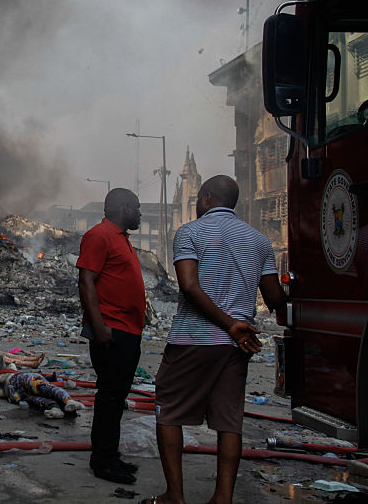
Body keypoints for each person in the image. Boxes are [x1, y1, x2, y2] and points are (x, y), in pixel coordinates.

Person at [143, 175, 286, 504]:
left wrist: (229, 324)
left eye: (196, 198)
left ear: (206, 198)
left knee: (169, 413)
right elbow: (275, 298)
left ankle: (174, 496)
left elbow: (190, 287)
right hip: (237, 347)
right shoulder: (259, 240)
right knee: (229, 421)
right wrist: (239, 326)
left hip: (194, 338)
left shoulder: (190, 232)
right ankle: (222, 498)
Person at [77, 188, 146, 484]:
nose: (140, 214)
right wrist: (100, 325)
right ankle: (103, 462)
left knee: (117, 397)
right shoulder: (99, 235)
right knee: (110, 396)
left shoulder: (120, 238)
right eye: (138, 209)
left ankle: (110, 454)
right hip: (112, 329)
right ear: (125, 208)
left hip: (127, 329)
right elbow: (86, 281)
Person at [0, 371, 85, 419]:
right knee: (42, 394)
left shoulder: (15, 378)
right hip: (17, 392)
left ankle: (66, 402)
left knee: (43, 390)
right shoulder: (16, 377)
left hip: (17, 388)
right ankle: (58, 407)